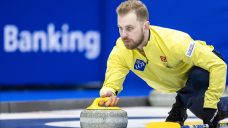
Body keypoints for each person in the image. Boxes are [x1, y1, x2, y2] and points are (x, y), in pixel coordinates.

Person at [98, 0, 228, 128]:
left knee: (200, 80)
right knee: (212, 111)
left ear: (146, 26)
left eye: (129, 28)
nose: (124, 35)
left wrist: (210, 104)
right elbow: (111, 83)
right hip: (184, 87)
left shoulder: (174, 42)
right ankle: (183, 103)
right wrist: (109, 92)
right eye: (120, 28)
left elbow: (218, 65)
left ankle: (179, 107)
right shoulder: (120, 51)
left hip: (204, 69)